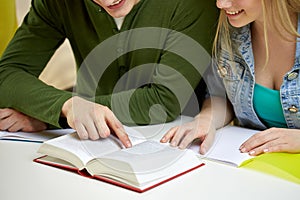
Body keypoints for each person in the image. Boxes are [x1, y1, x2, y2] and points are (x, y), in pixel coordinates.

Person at [0, 0, 219, 147]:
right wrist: (65, 106)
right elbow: (6, 73)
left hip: (173, 146)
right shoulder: (58, 3)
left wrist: (55, 116)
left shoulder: (194, 4)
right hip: (85, 147)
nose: (108, 1)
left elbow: (164, 100)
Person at [161, 0, 300, 156]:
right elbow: (221, 96)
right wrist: (206, 120)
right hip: (254, 166)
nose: (221, 4)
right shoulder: (230, 29)